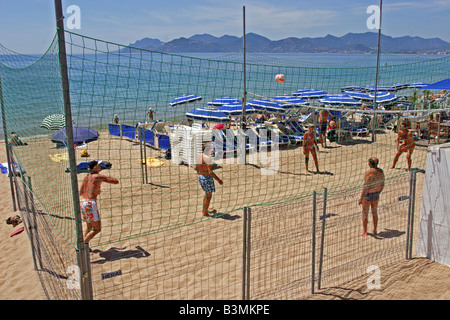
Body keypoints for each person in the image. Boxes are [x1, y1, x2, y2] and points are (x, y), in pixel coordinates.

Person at [79, 160, 119, 244]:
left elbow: (81, 192)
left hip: (82, 202)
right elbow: (115, 182)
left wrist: (95, 191)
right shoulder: (98, 176)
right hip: (90, 203)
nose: (100, 166)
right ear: (94, 167)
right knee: (97, 229)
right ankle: (83, 244)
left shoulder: (87, 177)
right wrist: (110, 176)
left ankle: (85, 247)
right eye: (98, 165)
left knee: (89, 227)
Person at [358, 157, 385, 237]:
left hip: (368, 194)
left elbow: (366, 187)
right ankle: (375, 230)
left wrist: (361, 198)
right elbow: (382, 184)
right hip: (376, 193)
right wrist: (378, 192)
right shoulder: (381, 172)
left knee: (365, 213)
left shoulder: (368, 172)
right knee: (374, 212)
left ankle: (365, 232)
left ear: (369, 163)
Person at [195, 144, 223, 217]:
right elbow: (210, 172)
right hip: (206, 177)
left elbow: (196, 167)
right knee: (209, 196)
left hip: (200, 176)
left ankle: (204, 210)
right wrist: (218, 180)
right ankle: (205, 213)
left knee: (206, 194)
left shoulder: (199, 156)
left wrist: (200, 173)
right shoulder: (208, 158)